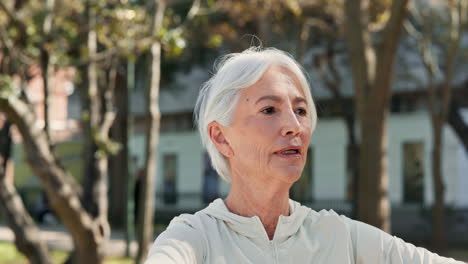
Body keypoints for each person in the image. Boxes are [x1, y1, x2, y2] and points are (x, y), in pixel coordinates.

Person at [145, 47, 464, 263]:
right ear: (221, 137)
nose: (293, 126)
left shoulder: (341, 237)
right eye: (269, 110)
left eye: (300, 110)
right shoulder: (194, 239)